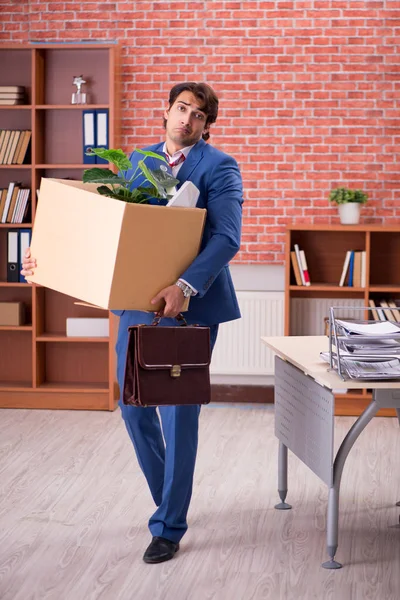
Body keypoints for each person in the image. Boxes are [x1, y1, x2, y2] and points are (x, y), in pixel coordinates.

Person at [21, 81, 244, 564]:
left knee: (179, 416)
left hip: (190, 310)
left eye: (199, 115)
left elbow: (226, 238)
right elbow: (97, 231)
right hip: (136, 305)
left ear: (208, 125)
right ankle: (170, 497)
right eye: (182, 108)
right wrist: (45, 260)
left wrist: (183, 288)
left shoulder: (220, 167)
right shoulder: (134, 163)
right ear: (166, 111)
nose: (188, 119)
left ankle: (168, 525)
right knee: (134, 408)